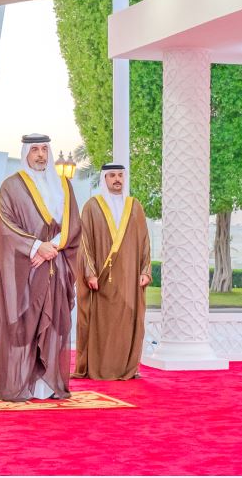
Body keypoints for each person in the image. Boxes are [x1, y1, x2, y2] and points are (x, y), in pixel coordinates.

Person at [0, 134, 82, 401]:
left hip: (56, 266)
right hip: (27, 269)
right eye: (35, 150)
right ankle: (22, 384)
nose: (40, 154)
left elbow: (73, 224)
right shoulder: (12, 186)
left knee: (54, 325)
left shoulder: (63, 185)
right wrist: (36, 247)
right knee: (26, 324)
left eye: (44, 149)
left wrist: (51, 246)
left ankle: (49, 385)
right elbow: (5, 226)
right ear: (25, 154)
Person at [73, 163, 153, 380]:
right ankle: (100, 367)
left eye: (120, 175)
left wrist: (145, 270)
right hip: (101, 277)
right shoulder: (92, 206)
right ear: (104, 179)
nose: (117, 179)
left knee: (127, 320)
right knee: (103, 322)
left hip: (129, 277)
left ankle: (125, 367)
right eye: (112, 176)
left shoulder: (135, 206)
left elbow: (145, 241)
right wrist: (89, 272)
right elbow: (84, 242)